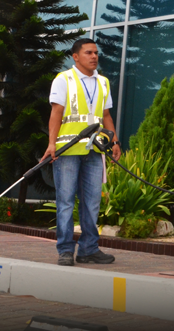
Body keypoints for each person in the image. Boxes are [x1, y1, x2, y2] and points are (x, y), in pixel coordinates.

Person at [43, 38, 122, 267]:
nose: (94, 56)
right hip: (68, 150)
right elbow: (56, 113)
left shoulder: (103, 82)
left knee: (92, 202)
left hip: (95, 150)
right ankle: (65, 250)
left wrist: (114, 141)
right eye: (88, 52)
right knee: (66, 202)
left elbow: (105, 116)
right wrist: (51, 144)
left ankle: (89, 249)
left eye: (96, 52)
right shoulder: (63, 79)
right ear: (75, 56)